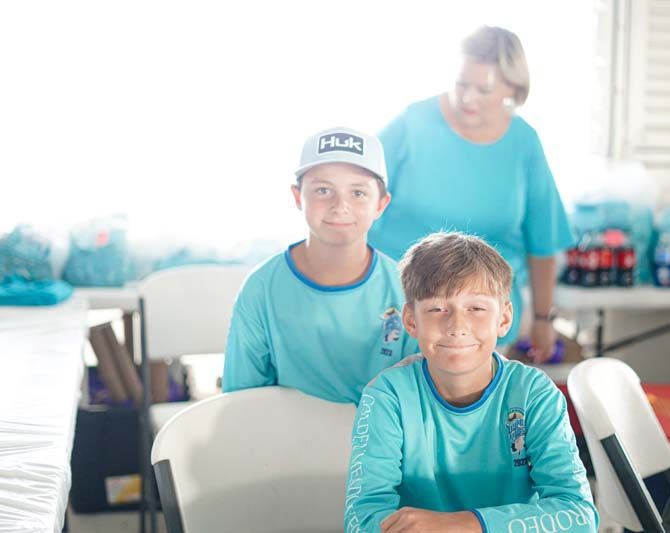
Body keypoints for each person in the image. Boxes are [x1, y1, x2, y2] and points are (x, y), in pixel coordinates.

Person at [344, 232, 597, 532]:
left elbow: (579, 515)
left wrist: (462, 524)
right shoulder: (387, 397)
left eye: (476, 309)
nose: (457, 326)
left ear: (504, 319)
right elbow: (361, 519)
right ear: (411, 320)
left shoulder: (534, 393)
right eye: (437, 309)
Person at [368, 26, 573, 361]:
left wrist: (542, 318)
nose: (468, 98)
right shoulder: (414, 122)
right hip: (393, 307)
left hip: (478, 320)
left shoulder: (524, 142)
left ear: (513, 88)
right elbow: (356, 189)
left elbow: (543, 242)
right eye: (461, 84)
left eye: (484, 89)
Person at [222, 127, 418, 404]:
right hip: (284, 429)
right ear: (297, 197)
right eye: (323, 190)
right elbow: (242, 400)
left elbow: (419, 395)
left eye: (358, 192)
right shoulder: (261, 288)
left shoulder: (405, 289)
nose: (340, 205)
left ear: (381, 204)